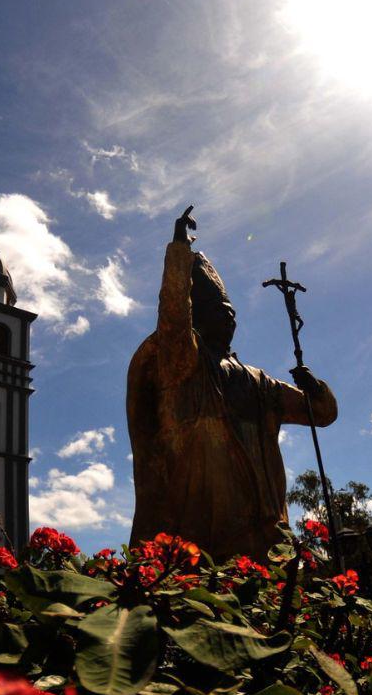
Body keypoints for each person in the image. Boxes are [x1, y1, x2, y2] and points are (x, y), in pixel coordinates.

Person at [127, 206, 337, 562]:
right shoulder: (185, 365)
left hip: (262, 528)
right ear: (199, 318)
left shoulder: (260, 383)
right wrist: (179, 253)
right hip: (200, 526)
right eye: (218, 312)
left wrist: (314, 387)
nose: (228, 320)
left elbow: (321, 414)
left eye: (231, 313)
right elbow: (174, 318)